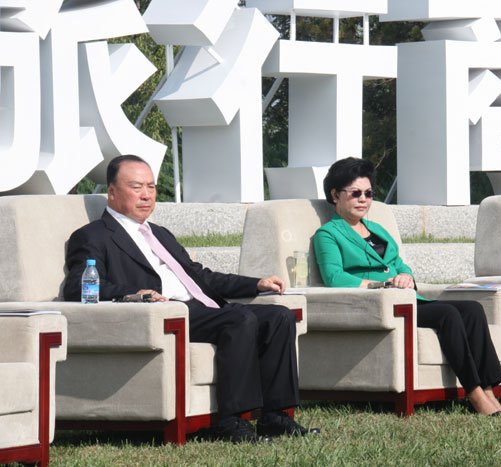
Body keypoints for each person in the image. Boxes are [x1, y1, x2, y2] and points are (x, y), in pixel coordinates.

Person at [64, 155, 318, 443]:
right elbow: (78, 287)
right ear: (112, 192)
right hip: (168, 313)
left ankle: (275, 417)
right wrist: (131, 295)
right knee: (240, 319)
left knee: (279, 316)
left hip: (202, 308)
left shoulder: (160, 234)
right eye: (136, 187)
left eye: (151, 187)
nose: (146, 195)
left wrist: (256, 284)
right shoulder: (93, 236)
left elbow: (200, 276)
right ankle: (232, 421)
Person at [313, 157, 501, 416]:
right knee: (448, 314)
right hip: (380, 305)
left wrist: (405, 276)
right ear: (335, 195)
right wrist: (381, 284)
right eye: (355, 193)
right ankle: (474, 393)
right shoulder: (328, 234)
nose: (364, 200)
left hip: (407, 298)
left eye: (369, 194)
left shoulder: (377, 230)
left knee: (472, 309)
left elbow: (399, 264)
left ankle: (490, 389)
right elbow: (334, 277)